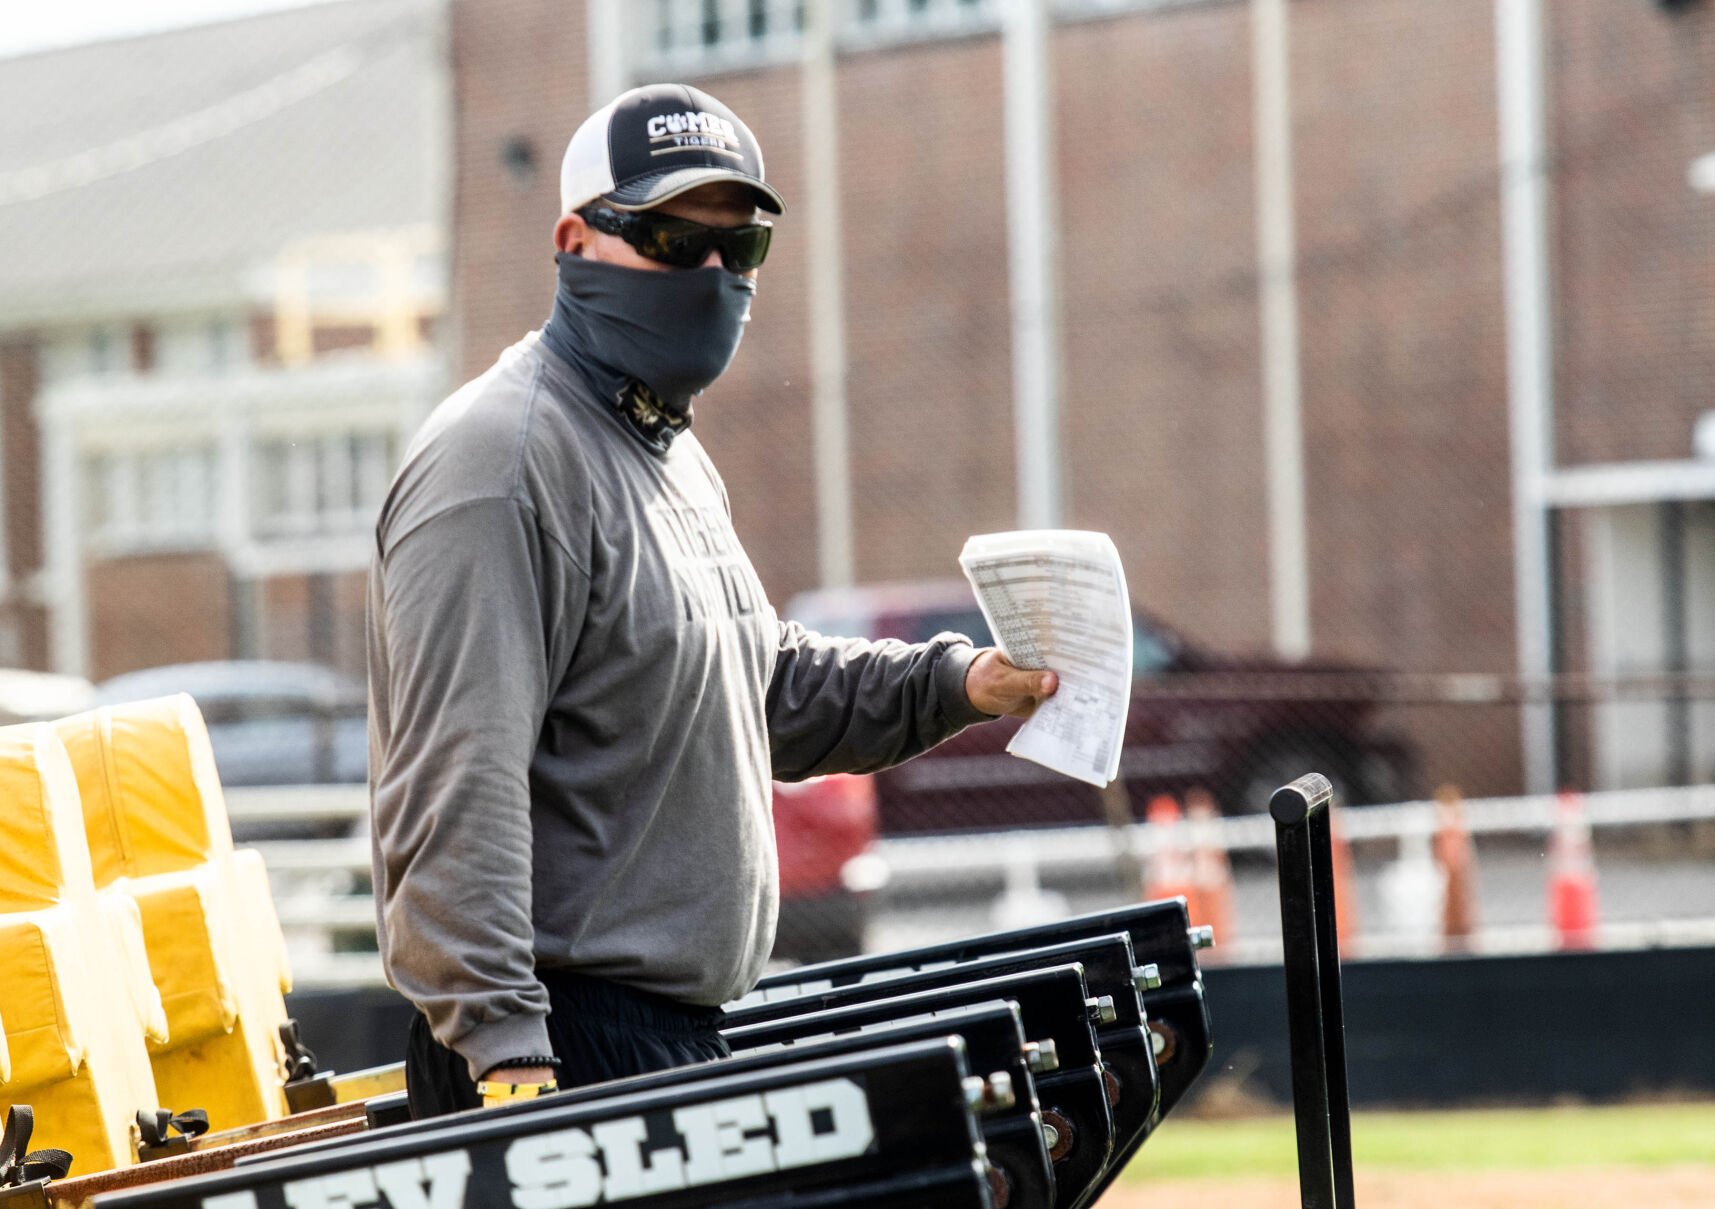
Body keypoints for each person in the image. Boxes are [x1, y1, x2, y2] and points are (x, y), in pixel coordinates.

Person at [366, 83, 1057, 1120]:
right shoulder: (498, 463)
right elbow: (454, 781)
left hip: (671, 1037)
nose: (711, 273)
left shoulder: (666, 449)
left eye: (739, 250)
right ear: (574, 240)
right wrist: (509, 1056)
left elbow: (757, 691)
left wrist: (962, 682)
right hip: (555, 1053)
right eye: (670, 238)